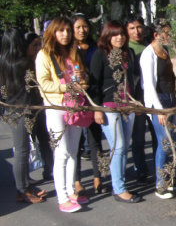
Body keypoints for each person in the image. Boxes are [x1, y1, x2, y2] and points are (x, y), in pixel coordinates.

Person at [35, 17, 89, 212]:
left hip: (74, 106)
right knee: (62, 152)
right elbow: (43, 84)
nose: (65, 34)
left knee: (74, 151)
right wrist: (67, 86)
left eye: (67, 30)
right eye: (61, 31)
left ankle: (71, 191)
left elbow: (82, 75)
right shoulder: (44, 55)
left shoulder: (74, 53)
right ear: (52, 33)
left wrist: (83, 83)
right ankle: (62, 196)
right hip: (56, 107)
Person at [89, 20, 141, 203]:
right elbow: (94, 84)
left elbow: (135, 79)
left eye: (121, 34)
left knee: (124, 146)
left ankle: (121, 183)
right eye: (115, 34)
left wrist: (137, 103)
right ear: (107, 36)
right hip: (109, 107)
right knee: (117, 147)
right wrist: (97, 110)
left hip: (129, 106)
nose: (119, 38)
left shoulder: (130, 54)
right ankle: (118, 189)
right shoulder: (100, 55)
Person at [0, 29, 53, 203]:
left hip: (11, 110)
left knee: (21, 150)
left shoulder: (3, 63)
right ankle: (22, 190)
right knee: (22, 150)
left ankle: (25, 185)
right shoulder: (23, 63)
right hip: (25, 109)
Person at [140, 18, 176, 199]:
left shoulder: (164, 51)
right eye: (166, 33)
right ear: (156, 34)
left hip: (171, 100)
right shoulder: (148, 54)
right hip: (158, 103)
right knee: (164, 143)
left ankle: (168, 176)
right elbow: (148, 85)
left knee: (168, 141)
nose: (169, 36)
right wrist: (159, 110)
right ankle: (160, 184)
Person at [71, 13, 108, 195]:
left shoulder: (96, 47)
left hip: (93, 98)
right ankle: (77, 181)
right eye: (77, 27)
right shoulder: (68, 49)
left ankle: (97, 178)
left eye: (84, 26)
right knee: (76, 142)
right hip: (75, 100)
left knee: (95, 141)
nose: (82, 30)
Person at [126, 15, 157, 184]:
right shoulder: (126, 49)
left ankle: (161, 168)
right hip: (137, 100)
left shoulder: (148, 45)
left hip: (153, 98)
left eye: (139, 27)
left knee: (157, 135)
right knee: (138, 138)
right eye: (131, 28)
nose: (136, 31)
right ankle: (141, 169)